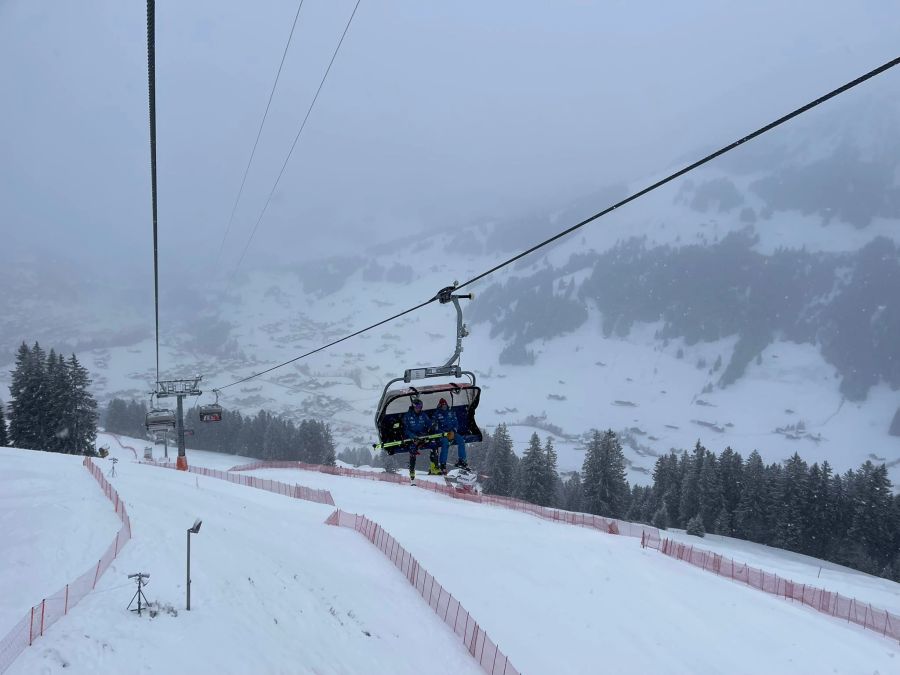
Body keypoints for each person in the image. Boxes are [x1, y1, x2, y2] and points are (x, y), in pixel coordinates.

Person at [432, 398, 467, 473]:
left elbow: (456, 423)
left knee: (461, 440)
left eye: (445, 404)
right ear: (440, 405)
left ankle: (462, 460)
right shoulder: (437, 414)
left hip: (452, 432)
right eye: (442, 405)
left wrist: (453, 430)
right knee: (445, 443)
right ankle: (443, 463)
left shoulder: (451, 412)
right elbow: (435, 427)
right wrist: (443, 433)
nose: (444, 406)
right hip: (442, 434)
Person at [402, 397, 432, 481]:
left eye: (420, 407)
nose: (419, 409)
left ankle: (435, 467)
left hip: (422, 436)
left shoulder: (423, 415)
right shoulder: (408, 416)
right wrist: (413, 436)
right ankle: (412, 471)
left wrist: (432, 425)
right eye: (418, 407)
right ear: (414, 407)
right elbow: (405, 429)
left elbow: (429, 423)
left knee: (434, 443)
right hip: (412, 437)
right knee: (412, 449)